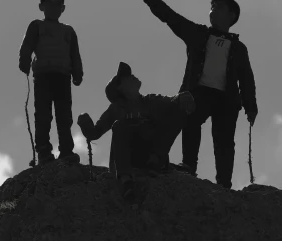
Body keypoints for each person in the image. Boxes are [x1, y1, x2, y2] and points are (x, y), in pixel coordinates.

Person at [132, 0, 258, 189]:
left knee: (224, 141)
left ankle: (224, 183)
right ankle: (189, 165)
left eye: (218, 7)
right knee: (189, 121)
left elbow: (246, 79)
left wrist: (250, 106)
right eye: (212, 7)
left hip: (227, 99)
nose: (212, 11)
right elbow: (171, 18)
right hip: (199, 92)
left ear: (231, 15)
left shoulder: (239, 48)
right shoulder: (198, 34)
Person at [76, 62, 196, 197]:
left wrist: (181, 97)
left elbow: (171, 101)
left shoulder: (150, 101)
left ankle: (155, 160)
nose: (133, 76)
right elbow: (95, 133)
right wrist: (85, 124)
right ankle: (125, 179)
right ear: (120, 88)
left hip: (149, 154)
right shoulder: (116, 108)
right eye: (128, 77)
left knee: (178, 111)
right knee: (119, 126)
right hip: (128, 157)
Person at [18, 0, 83, 166]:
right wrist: (24, 61)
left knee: (64, 115)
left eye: (58, 4)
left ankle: (66, 151)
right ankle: (44, 152)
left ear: (63, 8)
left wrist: (78, 72)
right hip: (43, 76)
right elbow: (27, 46)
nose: (54, 8)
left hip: (63, 77)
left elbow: (74, 54)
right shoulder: (37, 26)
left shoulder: (69, 31)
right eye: (50, 4)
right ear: (41, 6)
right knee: (43, 116)